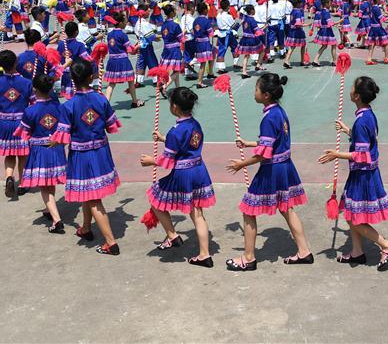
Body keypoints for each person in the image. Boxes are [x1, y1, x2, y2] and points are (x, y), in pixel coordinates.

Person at [226, 74, 312, 270]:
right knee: (287, 208)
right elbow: (273, 143)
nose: (253, 93)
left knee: (248, 210)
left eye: (256, 89)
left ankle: (248, 258)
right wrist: (250, 143)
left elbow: (265, 154)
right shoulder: (280, 112)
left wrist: (242, 164)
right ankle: (304, 251)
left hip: (272, 170)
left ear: (265, 95)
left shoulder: (268, 118)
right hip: (285, 167)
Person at [318, 76, 388, 270]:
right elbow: (367, 141)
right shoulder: (367, 115)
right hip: (363, 174)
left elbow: (361, 154)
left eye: (352, 87)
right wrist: (348, 130)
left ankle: (386, 245)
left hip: (362, 176)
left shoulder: (362, 121)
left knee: (354, 216)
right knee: (349, 212)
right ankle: (357, 252)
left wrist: (336, 154)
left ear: (356, 95)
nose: (350, 90)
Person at [51, 58, 122, 254]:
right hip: (101, 152)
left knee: (93, 198)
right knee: (88, 193)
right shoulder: (101, 99)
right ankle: (86, 227)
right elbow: (111, 126)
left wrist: (51, 141)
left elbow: (63, 136)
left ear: (73, 79)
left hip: (82, 156)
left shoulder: (68, 105)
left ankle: (110, 242)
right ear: (92, 76)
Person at [140, 87, 216, 268]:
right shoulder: (195, 124)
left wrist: (152, 161)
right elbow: (185, 144)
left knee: (155, 198)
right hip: (199, 170)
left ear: (174, 107)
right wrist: (164, 139)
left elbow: (167, 160)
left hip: (183, 175)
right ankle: (204, 254)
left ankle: (172, 235)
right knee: (197, 214)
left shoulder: (176, 131)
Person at [16, 74, 67, 233]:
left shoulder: (30, 111)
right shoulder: (59, 107)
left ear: (34, 89)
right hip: (56, 148)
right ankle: (49, 209)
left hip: (39, 151)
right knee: (50, 181)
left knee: (44, 187)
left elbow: (24, 132)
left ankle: (56, 219)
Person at [0, 49, 33, 198]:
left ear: (0, 65)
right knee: (23, 154)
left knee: (9, 154)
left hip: (4, 123)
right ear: (16, 62)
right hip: (22, 123)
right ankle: (23, 183)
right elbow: (34, 103)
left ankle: (9, 177)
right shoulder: (26, 82)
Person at [102, 13, 143, 108]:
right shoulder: (123, 35)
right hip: (123, 61)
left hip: (112, 61)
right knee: (130, 81)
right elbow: (130, 51)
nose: (126, 23)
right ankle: (134, 101)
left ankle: (106, 104)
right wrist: (138, 47)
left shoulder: (110, 34)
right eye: (124, 22)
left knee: (111, 83)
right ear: (120, 23)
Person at [235, 4, 264, 78]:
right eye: (254, 9)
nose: (255, 11)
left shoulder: (245, 19)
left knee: (246, 55)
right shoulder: (252, 20)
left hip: (245, 38)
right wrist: (264, 27)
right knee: (262, 50)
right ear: (251, 11)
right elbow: (257, 32)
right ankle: (258, 64)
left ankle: (244, 71)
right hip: (252, 39)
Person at [191, 3, 215, 88]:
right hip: (204, 43)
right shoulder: (206, 21)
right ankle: (200, 82)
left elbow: (193, 31)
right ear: (205, 10)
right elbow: (211, 33)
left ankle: (210, 73)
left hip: (197, 43)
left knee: (213, 53)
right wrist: (212, 27)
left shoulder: (195, 20)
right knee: (203, 64)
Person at [365, 0, 388, 65]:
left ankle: (369, 59)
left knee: (372, 43)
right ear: (377, 0)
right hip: (378, 28)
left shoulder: (371, 7)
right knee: (387, 42)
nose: (381, 0)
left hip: (372, 28)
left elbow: (376, 17)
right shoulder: (377, 8)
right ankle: (386, 58)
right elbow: (382, 19)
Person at [282, 0, 308, 69]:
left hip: (292, 30)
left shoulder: (292, 11)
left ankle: (287, 60)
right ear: (299, 4)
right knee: (302, 45)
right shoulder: (298, 12)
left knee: (292, 46)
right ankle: (302, 60)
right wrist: (306, 24)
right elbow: (298, 24)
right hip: (298, 31)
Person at [312, 0, 338, 67]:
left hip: (323, 29)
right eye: (329, 3)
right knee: (333, 44)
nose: (330, 4)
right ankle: (334, 61)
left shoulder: (322, 11)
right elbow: (329, 22)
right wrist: (337, 24)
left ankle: (316, 59)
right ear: (326, 4)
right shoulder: (326, 12)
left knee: (324, 46)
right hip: (327, 30)